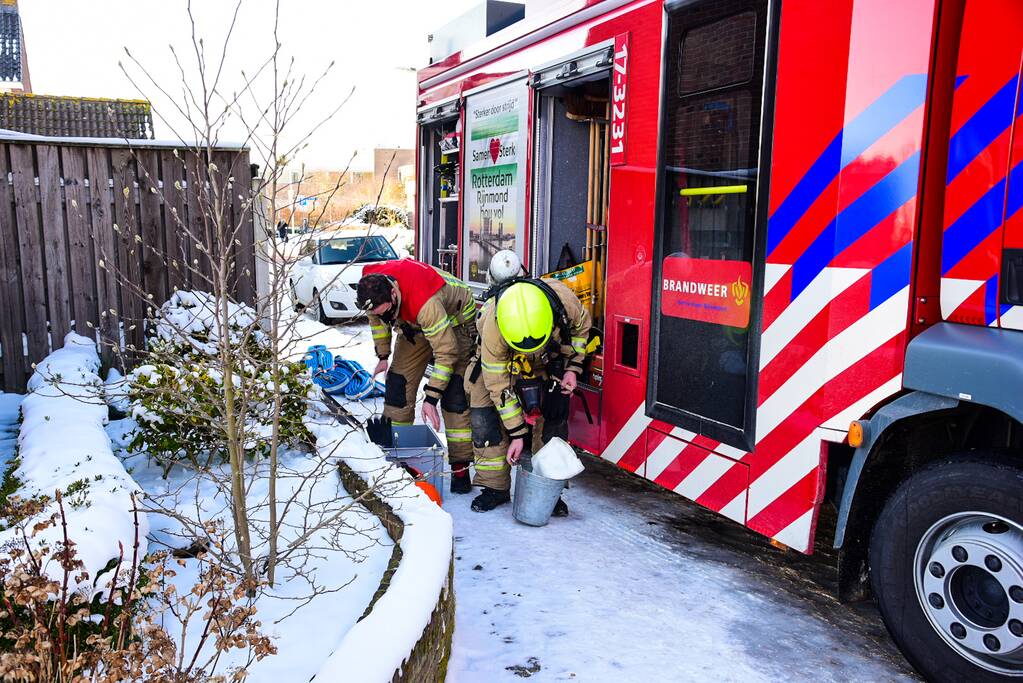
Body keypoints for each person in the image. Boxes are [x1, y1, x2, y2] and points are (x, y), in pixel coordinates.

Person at [466, 271, 593, 513]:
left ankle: (548, 489)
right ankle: (495, 489)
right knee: (485, 419)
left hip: (546, 362)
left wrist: (572, 369)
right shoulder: (493, 325)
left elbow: (581, 330)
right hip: (501, 367)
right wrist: (517, 433)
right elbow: (498, 386)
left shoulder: (563, 302)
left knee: (554, 419)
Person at [356, 258, 478, 494]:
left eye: (388, 311)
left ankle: (460, 468)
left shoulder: (425, 303)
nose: (385, 317)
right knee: (397, 385)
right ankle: (394, 457)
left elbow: (447, 353)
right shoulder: (371, 290)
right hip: (414, 321)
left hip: (455, 320)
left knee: (453, 394)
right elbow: (378, 322)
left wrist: (431, 398)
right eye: (379, 313)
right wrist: (383, 355)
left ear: (393, 294)